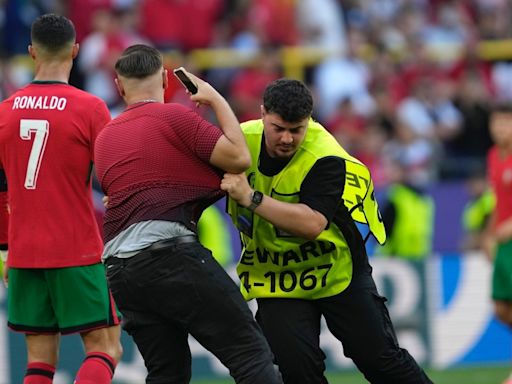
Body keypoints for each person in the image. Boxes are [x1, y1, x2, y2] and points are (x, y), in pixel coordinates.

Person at [222, 78, 433, 383]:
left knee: (380, 361)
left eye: (296, 130)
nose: (286, 139)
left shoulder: (326, 154)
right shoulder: (239, 141)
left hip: (336, 269)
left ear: (310, 121)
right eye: (278, 128)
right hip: (277, 277)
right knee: (298, 371)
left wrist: (251, 198)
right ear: (262, 113)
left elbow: (312, 224)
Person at [94, 44, 281, 384]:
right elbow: (239, 158)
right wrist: (214, 99)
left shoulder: (104, 138)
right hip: (168, 254)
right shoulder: (174, 117)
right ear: (166, 80)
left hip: (120, 270)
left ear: (119, 86)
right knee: (250, 352)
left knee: (168, 374)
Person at [0, 14, 122, 384]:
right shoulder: (91, 108)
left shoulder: (4, 112)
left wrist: (6, 250)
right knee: (105, 348)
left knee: (38, 361)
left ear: (31, 52)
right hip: (75, 248)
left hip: (23, 253)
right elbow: (113, 177)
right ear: (75, 50)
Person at [482, 104, 512, 384]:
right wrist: (489, 234)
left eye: (505, 123)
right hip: (504, 244)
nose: (500, 129)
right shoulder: (493, 156)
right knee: (502, 309)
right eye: (496, 123)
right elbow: (497, 200)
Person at [377, 156, 435, 259]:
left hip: (396, 254)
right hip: (421, 254)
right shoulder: (424, 199)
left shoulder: (396, 196)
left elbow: (385, 226)